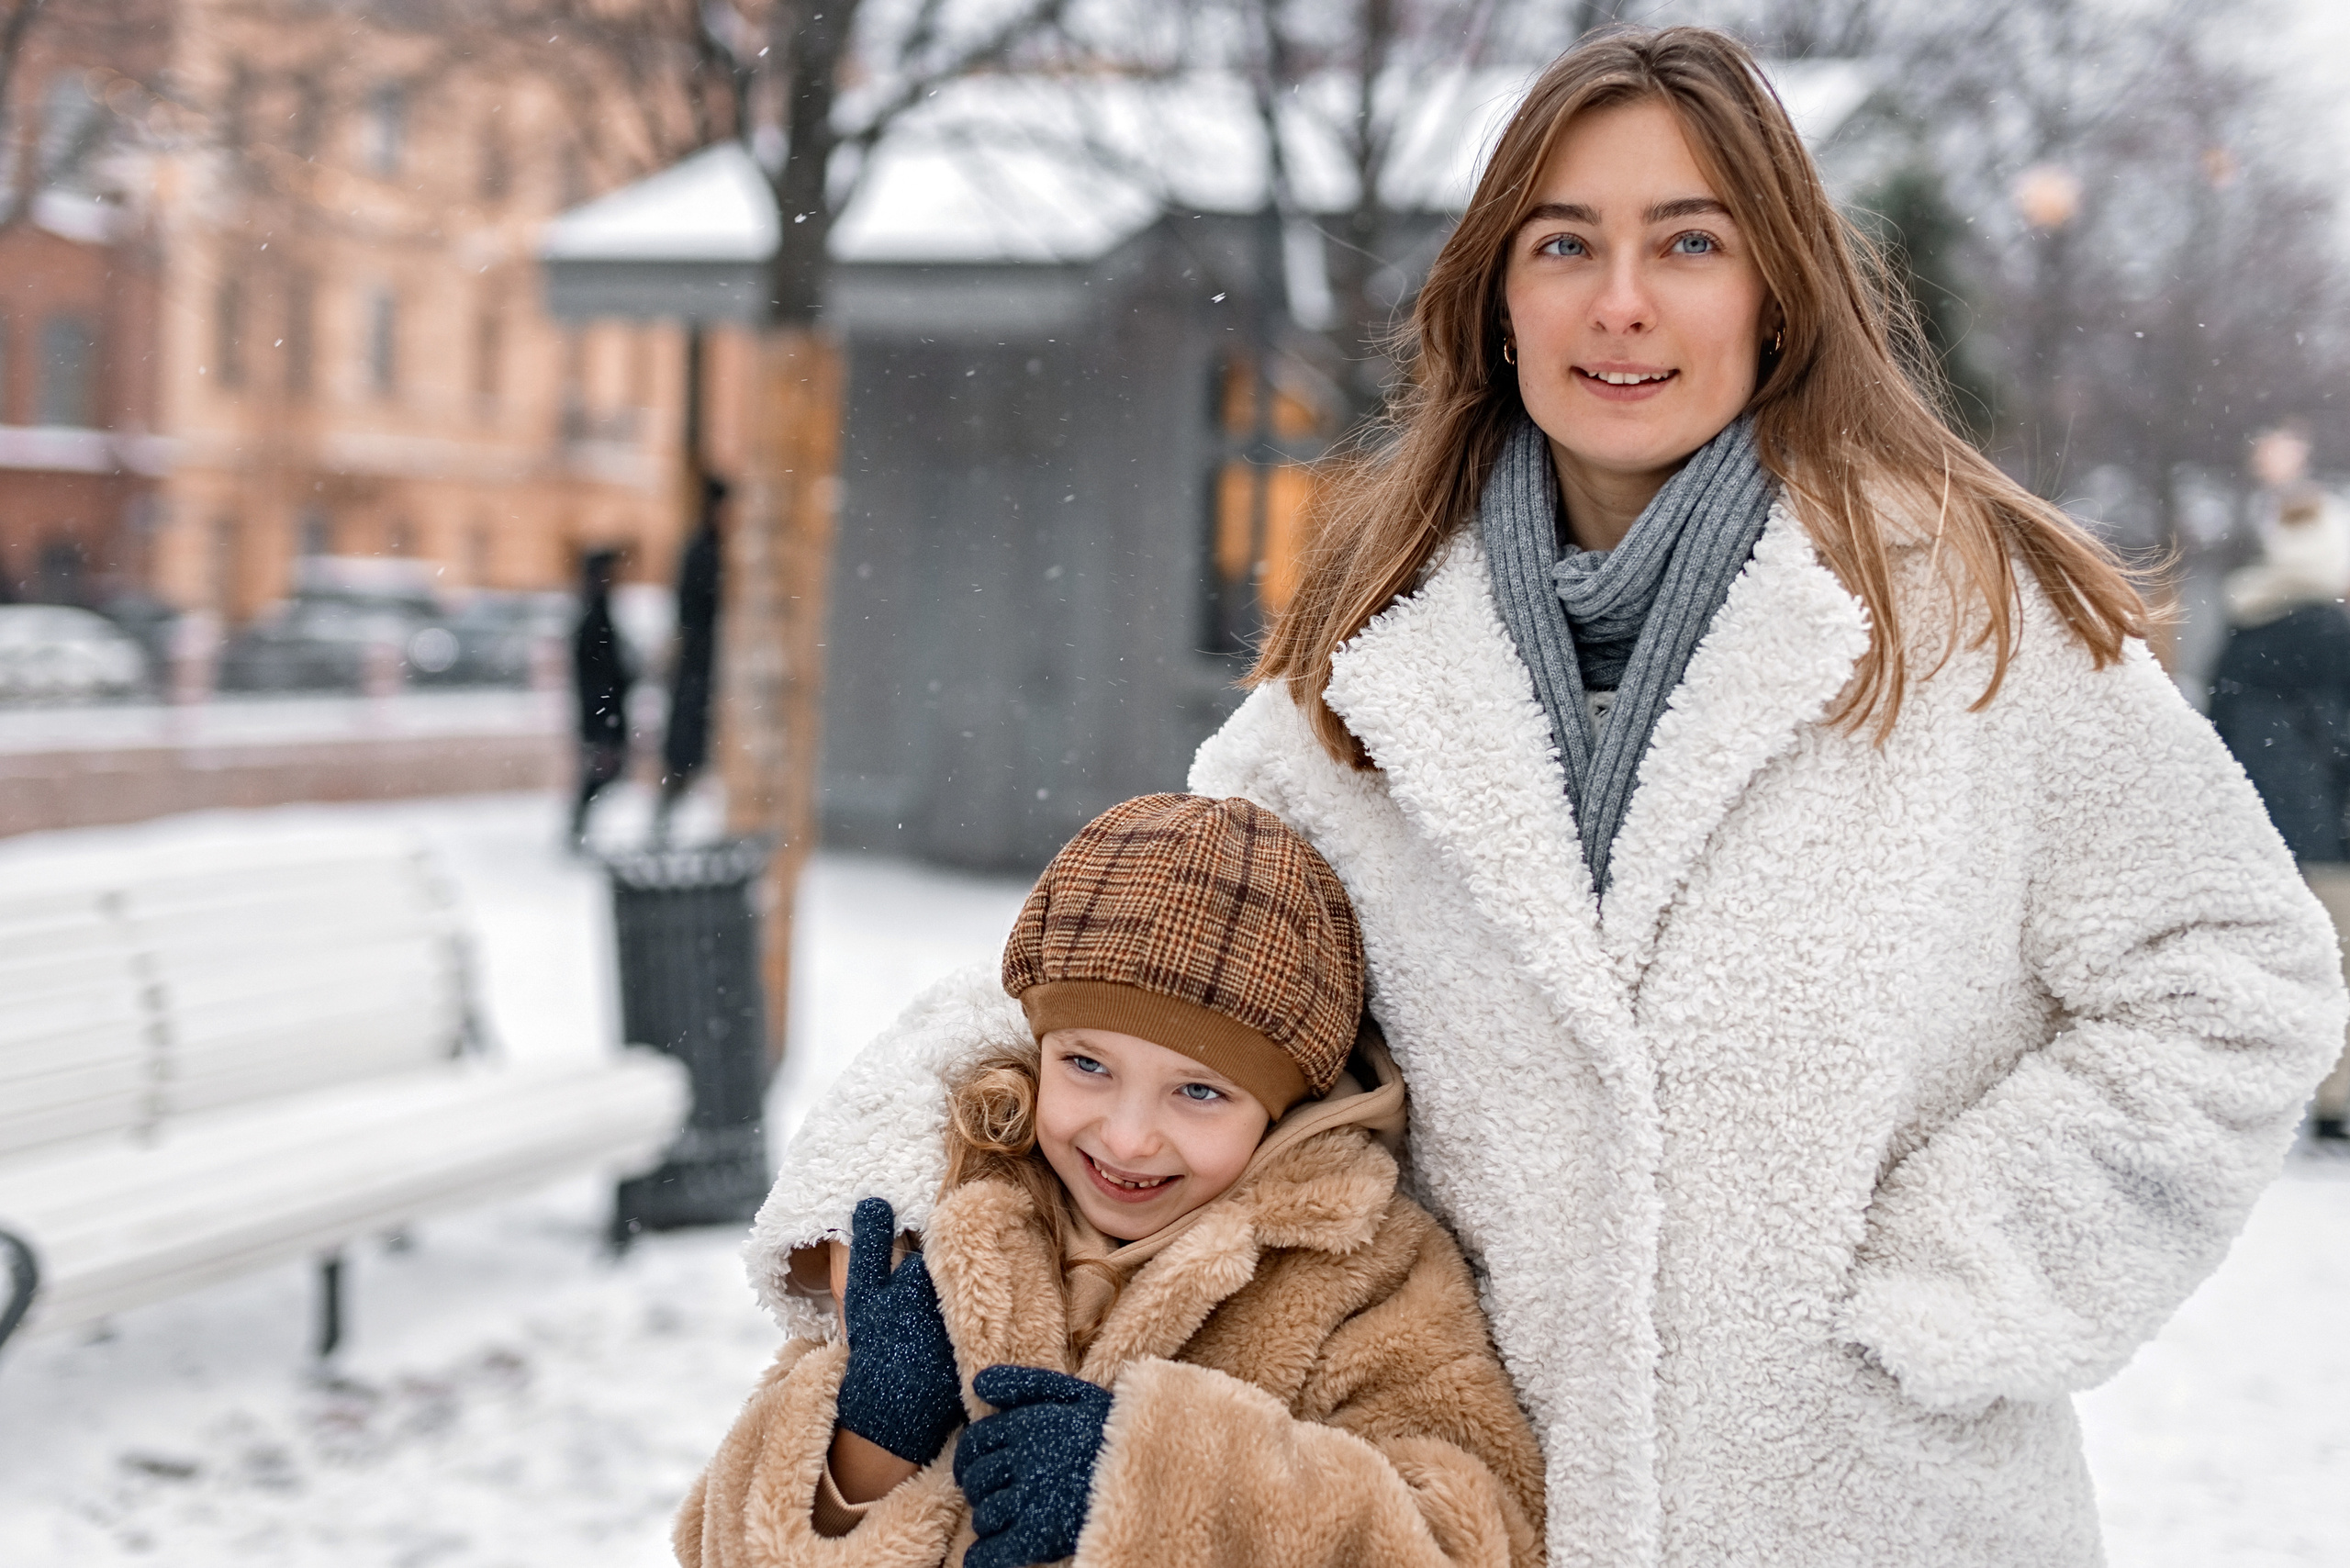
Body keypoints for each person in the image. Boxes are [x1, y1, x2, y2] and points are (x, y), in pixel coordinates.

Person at [744, 27, 2344, 1568]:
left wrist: (1954, 1288)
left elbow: (2240, 974)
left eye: (1690, 243)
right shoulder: (1373, 665)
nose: (1620, 302)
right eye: (1565, 244)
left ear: (1778, 293)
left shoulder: (1968, 622)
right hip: (1482, 1509)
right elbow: (1135, 953)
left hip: (1874, 1509)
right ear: (1499, 298)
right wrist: (875, 1209)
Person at [677, 795, 1545, 1568]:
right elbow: (715, 1546)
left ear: (1287, 1109)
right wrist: (870, 1441)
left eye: (1200, 1091)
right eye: (1087, 1064)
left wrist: (1164, 1483)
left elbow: (1482, 1538)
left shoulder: (1361, 1272)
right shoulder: (952, 1217)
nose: (1127, 1137)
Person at [2210, 487, 2350, 1137]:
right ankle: (2335, 1104)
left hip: (2255, 835)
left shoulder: (2246, 624)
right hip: (2330, 836)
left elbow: (2215, 734)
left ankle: (2252, 1101)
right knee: (2338, 967)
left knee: (2263, 973)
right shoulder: (2336, 634)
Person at [655, 476, 726, 845]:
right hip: (698, 667)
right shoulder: (704, 550)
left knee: (689, 751)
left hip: (702, 667)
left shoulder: (712, 548)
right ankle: (664, 822)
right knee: (685, 750)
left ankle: (668, 821)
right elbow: (693, 613)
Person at [569, 547, 633, 848]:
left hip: (604, 712)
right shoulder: (594, 617)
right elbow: (599, 676)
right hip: (602, 713)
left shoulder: (597, 611)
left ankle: (579, 828)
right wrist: (603, 727)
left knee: (601, 773)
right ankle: (577, 829)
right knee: (600, 772)